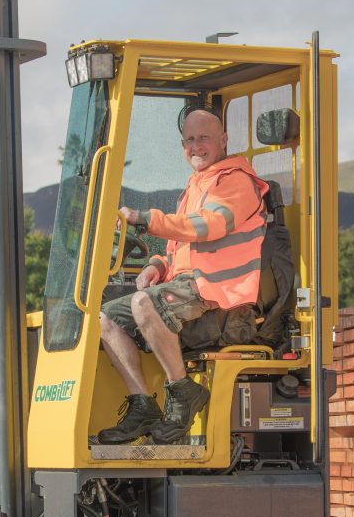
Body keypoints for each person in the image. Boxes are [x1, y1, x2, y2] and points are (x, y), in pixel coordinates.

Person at [97, 108, 269, 445]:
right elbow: (179, 247)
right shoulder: (196, 186)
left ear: (223, 140)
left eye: (203, 138)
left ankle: (182, 391)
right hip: (191, 286)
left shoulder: (235, 181)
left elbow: (207, 226)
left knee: (144, 303)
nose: (196, 146)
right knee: (105, 318)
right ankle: (143, 405)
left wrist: (145, 217)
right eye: (189, 140)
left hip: (220, 292)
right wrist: (157, 266)